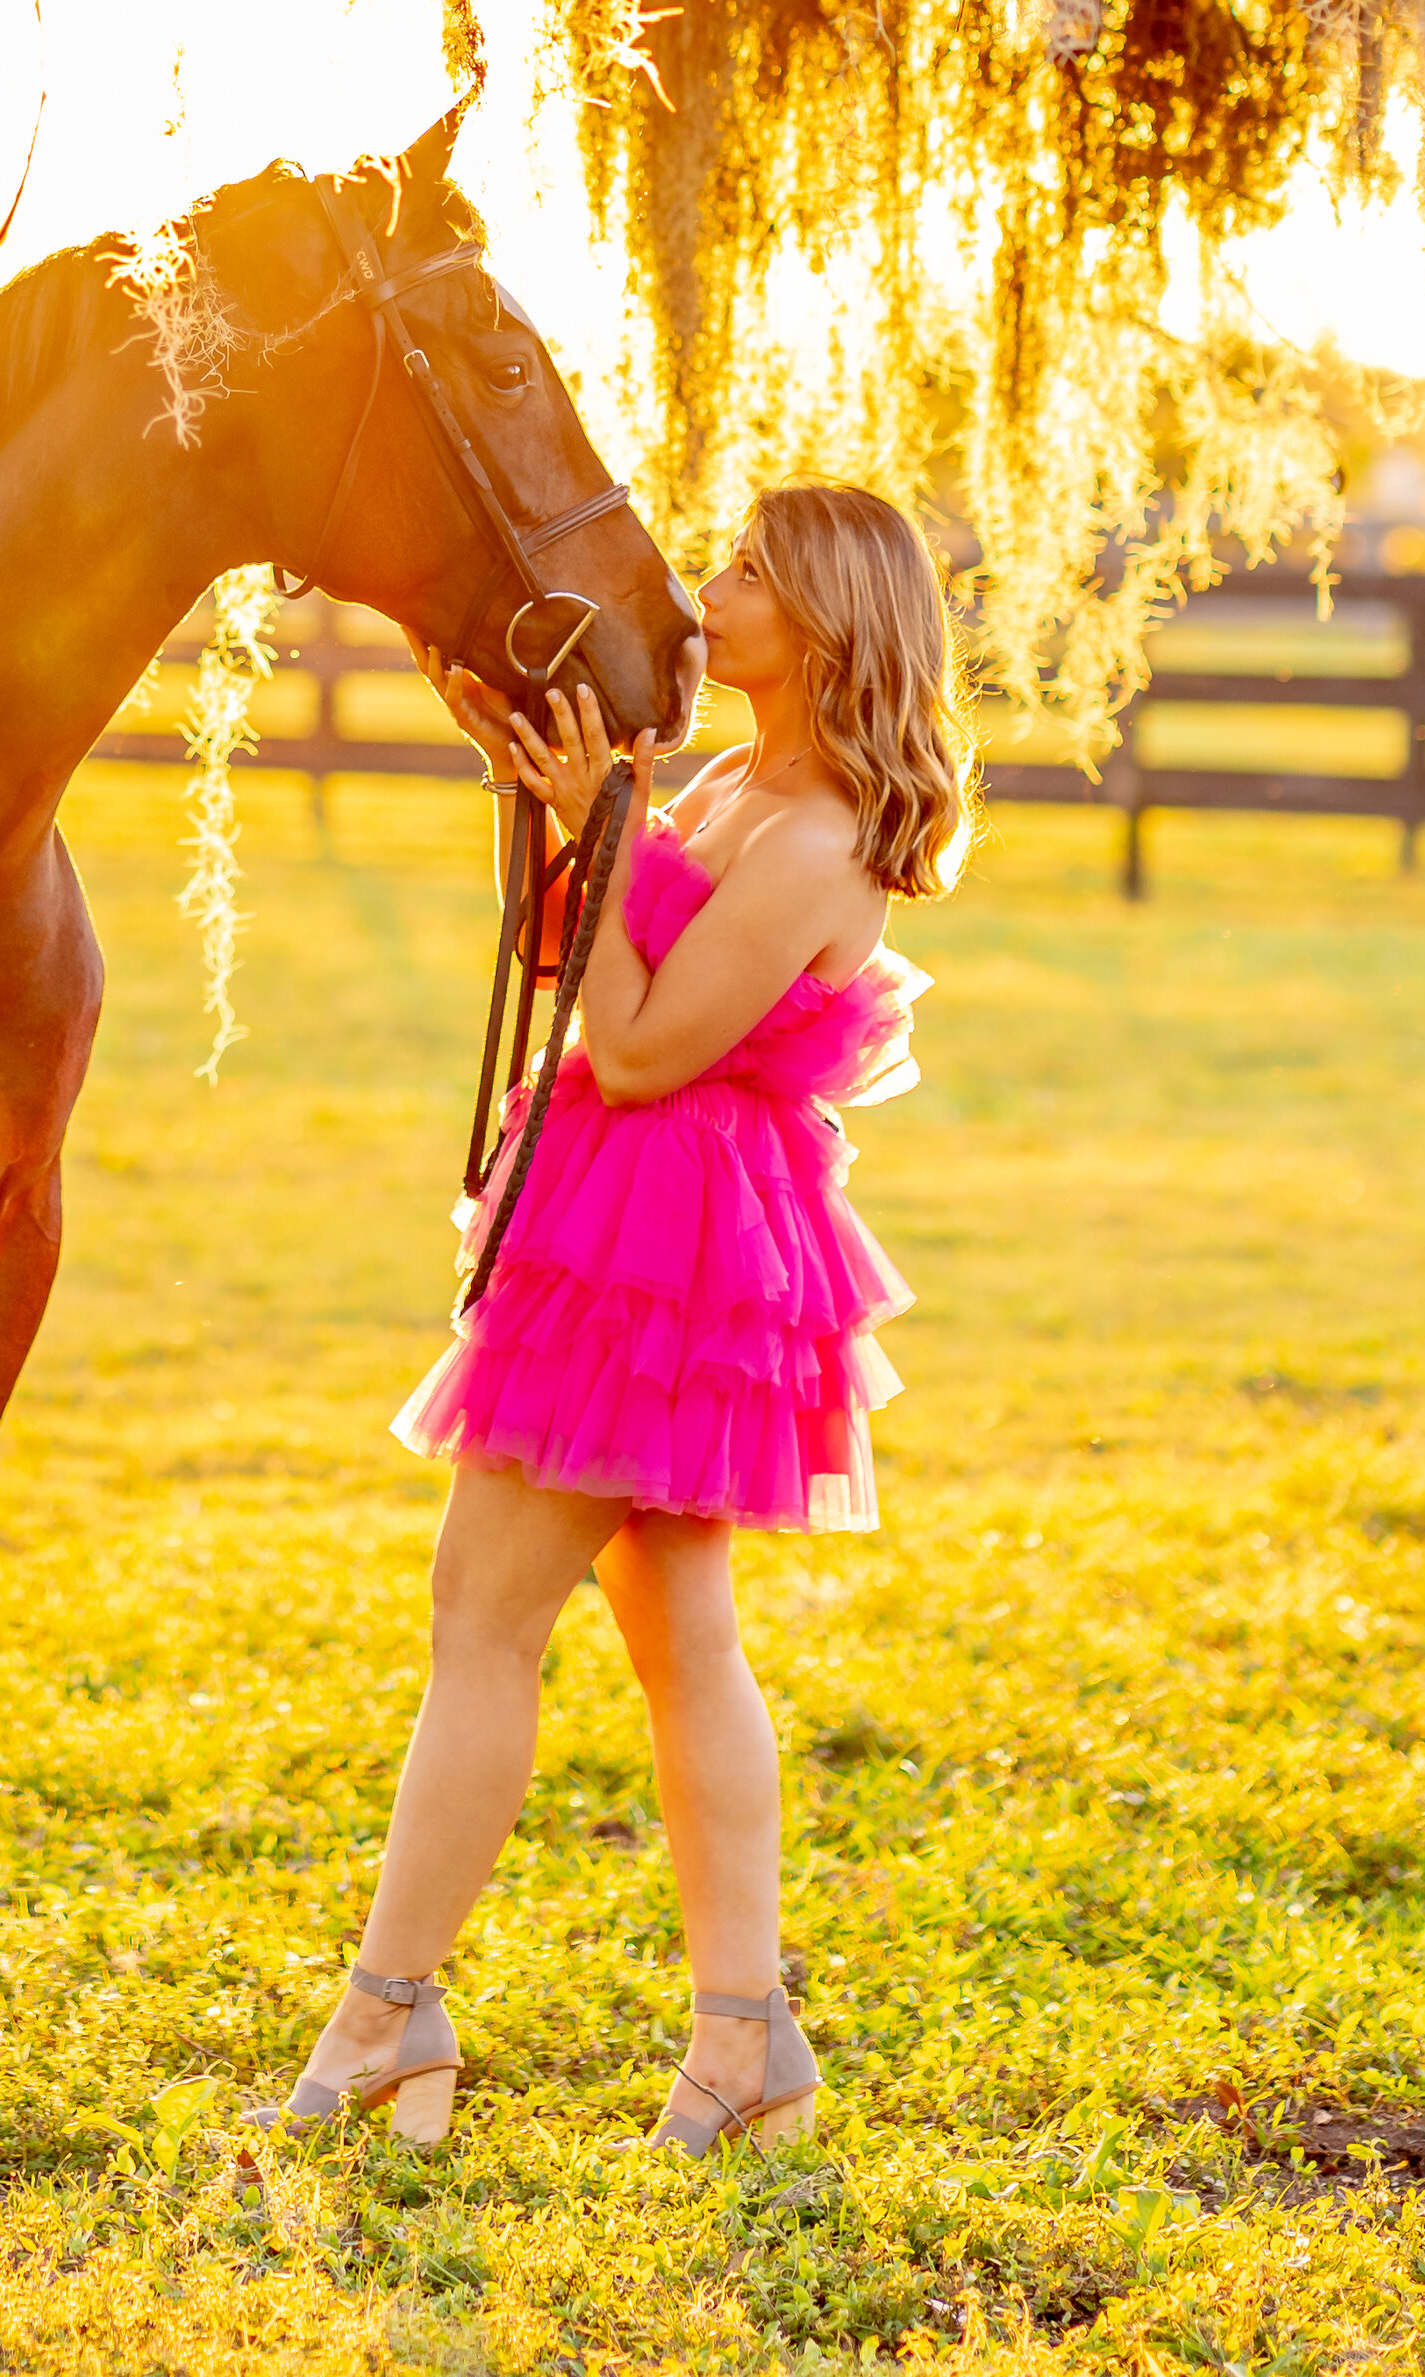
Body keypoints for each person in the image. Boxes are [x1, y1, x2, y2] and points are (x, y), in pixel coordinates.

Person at [264, 483, 971, 2154]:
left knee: (483, 1617)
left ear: (823, 622)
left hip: (670, 1236)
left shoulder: (811, 842)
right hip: (626, 1216)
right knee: (680, 1640)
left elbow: (645, 1048)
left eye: (742, 573)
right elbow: (585, 941)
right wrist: (550, 790)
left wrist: (605, 835)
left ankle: (390, 2010)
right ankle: (746, 2044)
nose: (705, 591)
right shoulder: (729, 783)